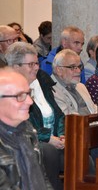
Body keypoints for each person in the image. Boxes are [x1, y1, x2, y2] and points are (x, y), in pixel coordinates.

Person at [5, 42, 65, 190]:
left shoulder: (42, 81)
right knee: (48, 153)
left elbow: (58, 113)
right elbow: (24, 125)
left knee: (80, 154)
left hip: (53, 138)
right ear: (15, 67)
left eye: (37, 63)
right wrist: (49, 138)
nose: (36, 67)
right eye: (31, 64)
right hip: (33, 140)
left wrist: (62, 134)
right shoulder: (8, 90)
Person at [0, 67, 53, 189]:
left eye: (29, 94)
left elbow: (43, 179)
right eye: (20, 96)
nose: (30, 101)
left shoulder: (27, 131)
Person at [51, 49, 97, 115]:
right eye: (72, 67)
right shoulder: (51, 90)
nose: (79, 71)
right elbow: (67, 118)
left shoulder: (81, 86)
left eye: (79, 67)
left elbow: (93, 109)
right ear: (59, 70)